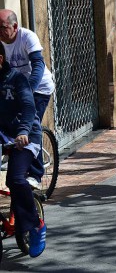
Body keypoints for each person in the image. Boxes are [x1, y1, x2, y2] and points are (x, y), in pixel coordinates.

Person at [0, 9, 56, 189]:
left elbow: (38, 64)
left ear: (14, 26)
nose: (0, 32)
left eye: (3, 27)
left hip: (38, 87)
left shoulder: (27, 37)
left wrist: (28, 90)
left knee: (31, 122)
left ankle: (36, 174)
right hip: (16, 88)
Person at [0, 43, 46, 257]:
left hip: (26, 136)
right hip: (2, 136)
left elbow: (29, 107)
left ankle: (35, 225)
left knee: (16, 179)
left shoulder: (17, 79)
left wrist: (24, 131)